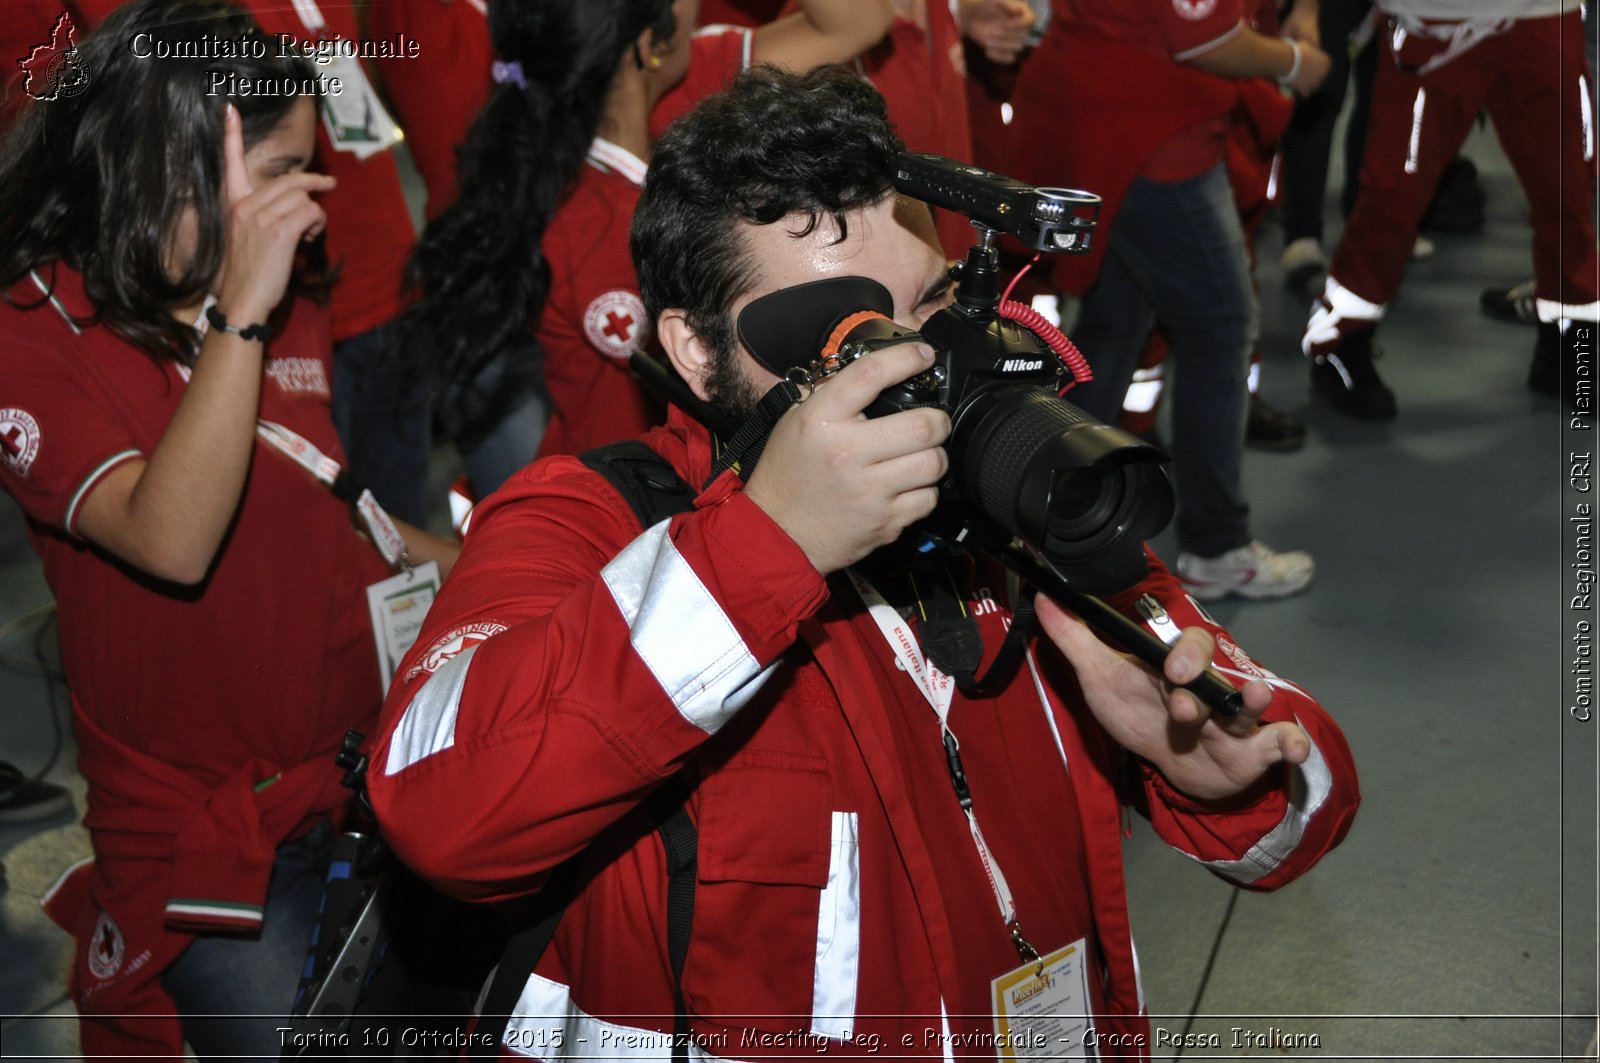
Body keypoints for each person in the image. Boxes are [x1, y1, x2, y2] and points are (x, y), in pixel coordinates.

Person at [366, 66, 1359, 1052]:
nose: (911, 368)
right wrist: (770, 542)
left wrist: (1218, 774)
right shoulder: (582, 524)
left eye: (923, 309)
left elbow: (1305, 795)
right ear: (695, 350)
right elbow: (436, 805)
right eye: (846, 336)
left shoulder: (1015, 514)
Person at [0, 0, 458, 1055]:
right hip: (202, 830)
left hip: (358, 772)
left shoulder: (289, 287)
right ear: (167, 165)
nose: (311, 204)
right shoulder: (33, 326)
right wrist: (240, 318)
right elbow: (171, 538)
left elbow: (326, 509)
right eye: (285, 171)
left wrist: (495, 560)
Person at [406, 0, 893, 477]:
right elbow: (732, 380)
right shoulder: (602, 229)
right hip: (640, 488)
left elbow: (856, 22)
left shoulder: (643, 103)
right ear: (647, 43)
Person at [1006, 0, 1331, 601]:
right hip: (1151, 131)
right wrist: (1292, 62)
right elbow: (1199, 37)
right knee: (1220, 327)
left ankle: (1045, 516)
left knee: (1115, 323)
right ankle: (1216, 546)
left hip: (1106, 108)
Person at [1299, 0, 1598, 417]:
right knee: (1393, 196)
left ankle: (1569, 349)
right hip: (1432, 22)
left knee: (1567, 192)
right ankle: (1339, 343)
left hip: (1544, 16)